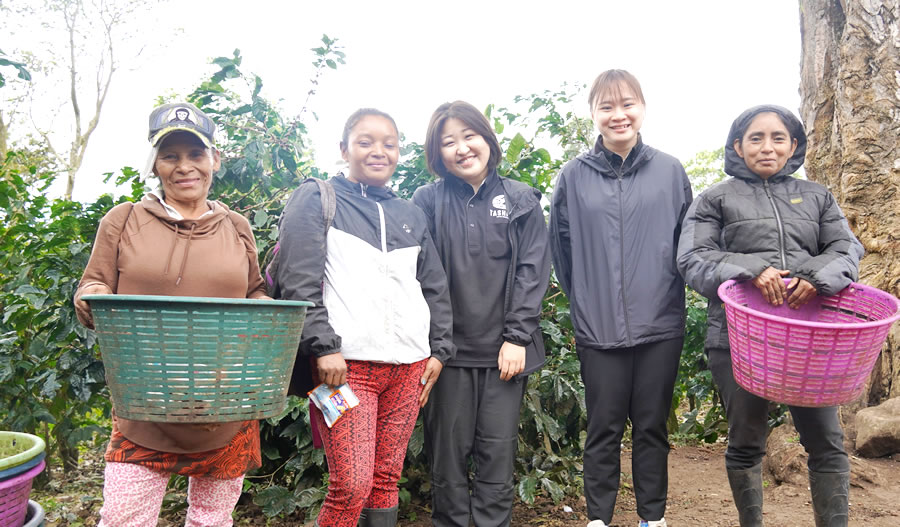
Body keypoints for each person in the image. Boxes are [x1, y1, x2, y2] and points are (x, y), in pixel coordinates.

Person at [74, 102, 269, 527]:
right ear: (155, 163)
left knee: (212, 519)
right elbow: (94, 283)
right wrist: (91, 297)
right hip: (145, 408)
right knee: (124, 518)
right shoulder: (123, 220)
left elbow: (255, 290)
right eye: (170, 156)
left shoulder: (237, 226)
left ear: (214, 159)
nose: (185, 167)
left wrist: (265, 314)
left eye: (195, 154)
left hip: (224, 404)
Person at [677, 105, 863, 527]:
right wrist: (750, 270)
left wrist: (817, 277)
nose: (767, 147)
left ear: (793, 145)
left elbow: (846, 249)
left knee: (827, 443)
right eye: (755, 138)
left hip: (808, 338)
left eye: (778, 138)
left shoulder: (817, 196)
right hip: (737, 339)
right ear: (738, 146)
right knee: (745, 441)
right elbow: (693, 258)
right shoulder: (715, 199)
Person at [273, 108, 455, 527]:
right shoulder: (318, 198)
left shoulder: (410, 214)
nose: (379, 152)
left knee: (385, 479)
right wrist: (322, 346)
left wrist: (439, 351)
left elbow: (433, 287)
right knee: (351, 484)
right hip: (345, 368)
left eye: (389, 144)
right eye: (366, 142)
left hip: (409, 367)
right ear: (344, 149)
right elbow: (298, 281)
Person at [549, 70, 692, 527]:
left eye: (627, 104)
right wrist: (587, 304)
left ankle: (653, 518)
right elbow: (562, 252)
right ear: (593, 114)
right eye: (606, 106)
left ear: (642, 108)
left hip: (660, 324)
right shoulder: (572, 176)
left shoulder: (670, 171)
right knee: (604, 428)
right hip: (598, 327)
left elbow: (688, 245)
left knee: (652, 427)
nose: (618, 115)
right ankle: (599, 519)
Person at [412, 101, 551, 527]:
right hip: (447, 355)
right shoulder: (427, 200)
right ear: (438, 154)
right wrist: (436, 346)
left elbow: (533, 271)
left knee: (497, 453)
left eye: (469, 136)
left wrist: (517, 338)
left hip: (503, 354)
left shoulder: (521, 199)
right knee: (448, 459)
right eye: (448, 142)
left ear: (487, 139)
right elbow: (419, 275)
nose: (462, 148)